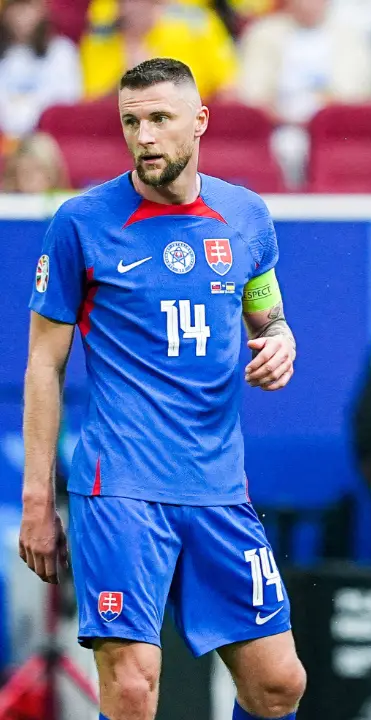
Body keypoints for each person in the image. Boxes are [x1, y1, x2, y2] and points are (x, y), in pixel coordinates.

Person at [18, 58, 306, 720]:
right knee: (133, 686)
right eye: (130, 122)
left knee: (278, 684)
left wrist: (282, 339)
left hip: (217, 487)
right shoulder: (81, 224)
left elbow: (267, 310)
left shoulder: (246, 217)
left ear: (199, 122)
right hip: (121, 487)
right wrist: (39, 500)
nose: (143, 136)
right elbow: (43, 364)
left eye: (158, 119)